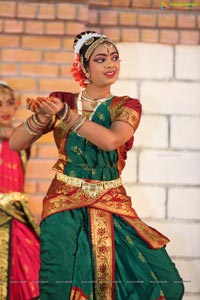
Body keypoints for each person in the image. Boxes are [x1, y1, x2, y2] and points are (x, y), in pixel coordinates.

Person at [9, 31, 184, 300]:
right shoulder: (61, 100)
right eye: (101, 59)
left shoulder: (126, 105)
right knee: (58, 289)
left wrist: (66, 116)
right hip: (63, 204)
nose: (110, 64)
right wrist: (42, 116)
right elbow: (15, 143)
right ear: (83, 67)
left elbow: (111, 140)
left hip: (111, 201)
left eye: (114, 58)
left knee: (167, 285)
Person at [0, 81, 40, 300]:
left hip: (17, 216)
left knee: (31, 271)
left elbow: (13, 133)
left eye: (9, 103)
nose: (5, 110)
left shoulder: (20, 138)